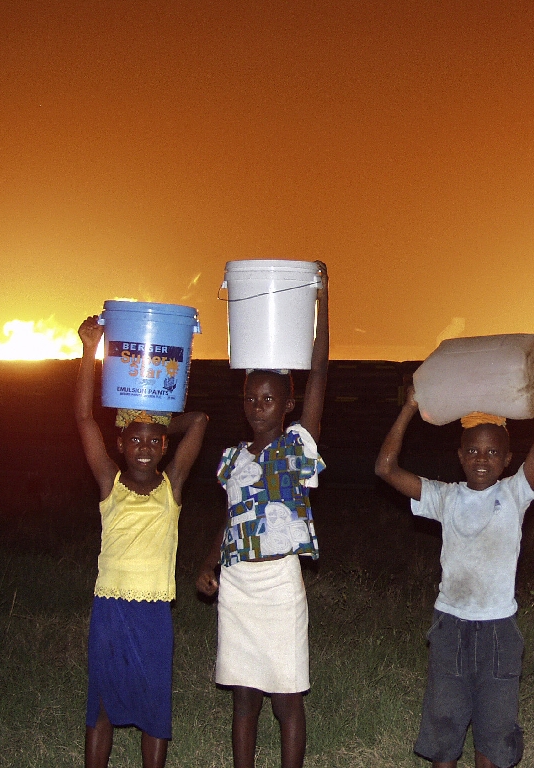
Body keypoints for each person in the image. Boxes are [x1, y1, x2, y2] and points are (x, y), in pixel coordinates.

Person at [374, 335, 534, 768]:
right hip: (450, 627)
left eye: (493, 452)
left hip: (498, 630)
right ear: (459, 456)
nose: (482, 459)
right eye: (473, 451)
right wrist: (408, 409)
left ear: (508, 457)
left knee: (494, 736)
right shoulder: (444, 497)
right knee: (444, 730)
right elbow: (385, 469)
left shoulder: (517, 493)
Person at [196, 261, 328, 768]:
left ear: (288, 404)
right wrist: (210, 563)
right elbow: (231, 519)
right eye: (251, 397)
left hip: (278, 584)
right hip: (238, 586)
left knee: (287, 698)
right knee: (244, 699)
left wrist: (322, 298)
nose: (257, 406)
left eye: (269, 398)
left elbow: (319, 371)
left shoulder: (298, 447)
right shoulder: (234, 458)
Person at [75, 315, 209, 768]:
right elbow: (82, 418)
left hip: (154, 611)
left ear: (166, 445)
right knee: (103, 704)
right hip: (110, 608)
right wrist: (90, 350)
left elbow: (201, 421)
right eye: (136, 438)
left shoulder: (171, 487)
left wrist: (155, 415)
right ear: (120, 443)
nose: (146, 447)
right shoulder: (108, 485)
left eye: (155, 440)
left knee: (155, 706)